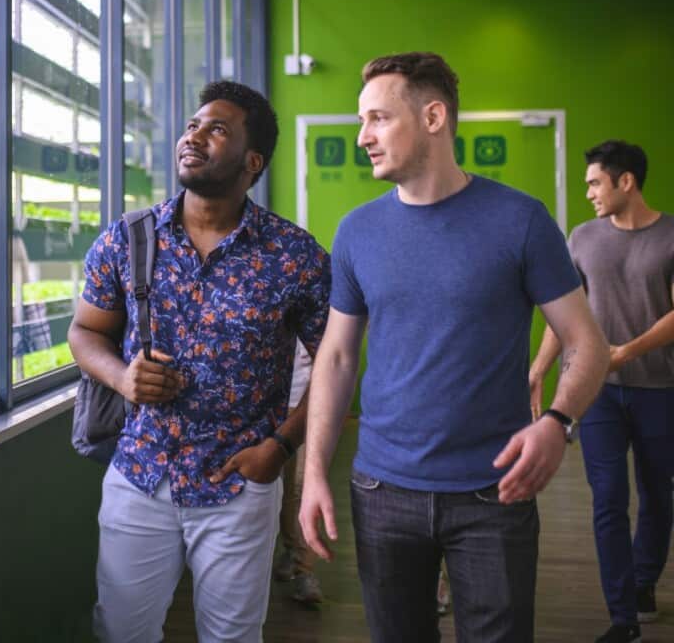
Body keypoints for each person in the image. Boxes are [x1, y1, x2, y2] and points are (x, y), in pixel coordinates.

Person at [298, 51, 610, 643]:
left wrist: (558, 422)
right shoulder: (356, 231)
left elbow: (587, 344)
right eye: (361, 121)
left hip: (494, 492)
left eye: (378, 119)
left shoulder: (520, 221)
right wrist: (314, 473)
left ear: (434, 117)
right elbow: (336, 358)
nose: (363, 136)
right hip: (381, 491)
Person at [69, 80, 330, 643]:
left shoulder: (294, 256)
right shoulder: (128, 240)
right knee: (120, 632)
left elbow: (337, 363)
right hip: (140, 476)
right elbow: (85, 331)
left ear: (252, 160)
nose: (194, 136)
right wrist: (122, 376)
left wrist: (281, 448)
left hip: (239, 484)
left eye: (217, 129)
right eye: (192, 125)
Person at [529, 140, 674, 643]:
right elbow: (564, 310)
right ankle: (623, 617)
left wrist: (625, 352)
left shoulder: (672, 235)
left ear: (625, 182)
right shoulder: (582, 238)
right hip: (598, 393)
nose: (588, 191)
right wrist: (539, 368)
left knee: (658, 494)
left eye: (594, 182)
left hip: (661, 389)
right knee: (609, 499)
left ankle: (642, 580)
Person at [272, 342, 323, 607]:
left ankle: (305, 570)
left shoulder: (321, 307)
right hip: (268, 408)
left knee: (303, 486)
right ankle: (291, 548)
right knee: (277, 489)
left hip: (307, 409)